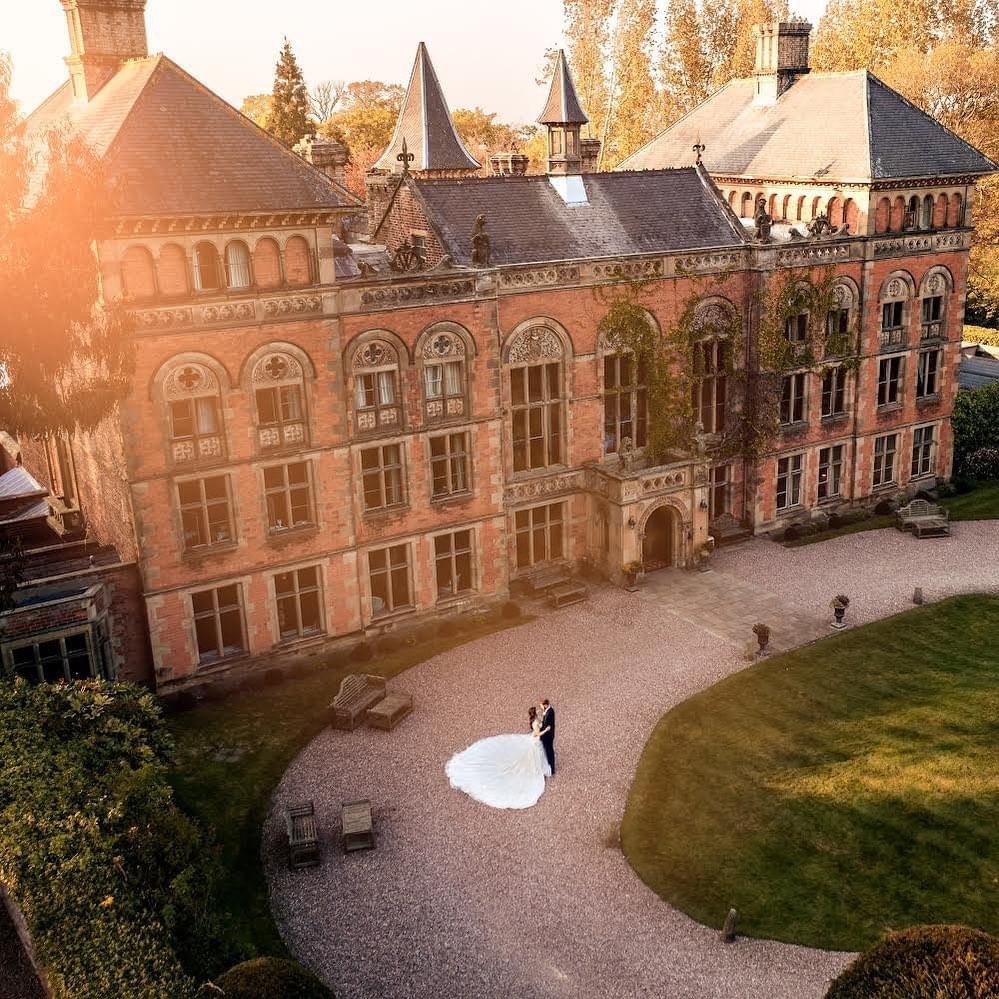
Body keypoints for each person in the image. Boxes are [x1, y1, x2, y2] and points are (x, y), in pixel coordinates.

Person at [445, 704, 551, 809]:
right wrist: (546, 730)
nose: (540, 712)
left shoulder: (537, 721)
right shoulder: (536, 723)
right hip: (534, 741)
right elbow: (537, 734)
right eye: (538, 712)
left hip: (533, 741)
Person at [538, 699, 555, 776]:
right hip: (547, 735)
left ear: (545, 705)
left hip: (548, 736)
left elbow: (545, 725)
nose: (541, 707)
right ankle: (550, 767)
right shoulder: (548, 711)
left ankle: (552, 768)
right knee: (548, 751)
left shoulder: (550, 712)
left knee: (549, 751)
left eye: (541, 705)